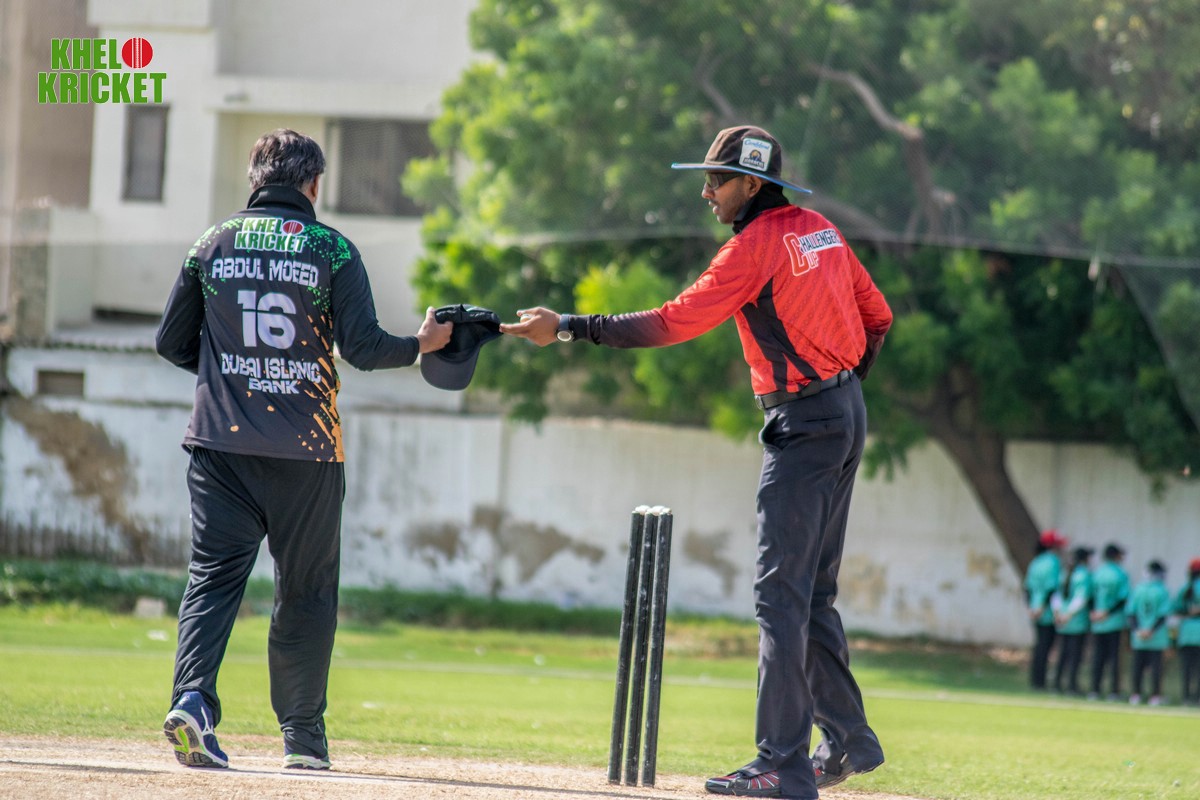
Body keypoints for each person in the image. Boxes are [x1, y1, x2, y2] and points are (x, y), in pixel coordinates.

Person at [501, 125, 893, 800]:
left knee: (780, 597)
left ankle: (782, 763)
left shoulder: (754, 246)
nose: (706, 192)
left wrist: (567, 325)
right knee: (811, 595)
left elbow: (672, 322)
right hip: (844, 413)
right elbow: (877, 317)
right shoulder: (820, 230)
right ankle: (850, 740)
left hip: (806, 422)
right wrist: (840, 390)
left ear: (752, 185)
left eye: (717, 180)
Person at [154, 129, 452, 770]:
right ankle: (303, 741)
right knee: (306, 592)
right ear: (314, 184)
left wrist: (231, 376)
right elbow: (365, 347)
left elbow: (171, 343)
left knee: (212, 580)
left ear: (255, 179)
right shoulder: (331, 249)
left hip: (221, 447)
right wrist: (422, 345)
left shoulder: (212, 243)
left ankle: (193, 701)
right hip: (307, 452)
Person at [1025, 529, 1067, 690]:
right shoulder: (1053, 562)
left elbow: (1027, 588)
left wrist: (1031, 608)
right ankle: (1040, 682)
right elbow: (1052, 588)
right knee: (1045, 646)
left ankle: (1036, 680)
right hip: (1047, 612)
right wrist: (1042, 607)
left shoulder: (1035, 562)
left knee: (1039, 645)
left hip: (1035, 610)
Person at [1126, 560, 1172, 705]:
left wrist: (1138, 630)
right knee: (1156, 668)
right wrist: (1151, 630)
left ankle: (1136, 694)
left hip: (1139, 637)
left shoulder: (1138, 589)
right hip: (1156, 637)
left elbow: (1130, 613)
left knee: (1137, 667)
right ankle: (1155, 696)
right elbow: (1163, 615)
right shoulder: (1162, 590)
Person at [1089, 542, 1130, 700]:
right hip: (1114, 622)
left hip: (1097, 622)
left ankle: (1095, 690)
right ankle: (1114, 691)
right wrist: (1107, 612)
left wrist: (1094, 612)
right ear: (1116, 556)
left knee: (1098, 657)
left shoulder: (1097, 573)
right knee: (1115, 659)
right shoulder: (1120, 574)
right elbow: (1123, 599)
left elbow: (1090, 596)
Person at [1051, 546, 1093, 696]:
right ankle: (1071, 686)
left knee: (1063, 654)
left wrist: (1058, 614)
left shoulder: (1065, 573)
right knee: (1075, 656)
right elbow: (1081, 598)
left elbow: (1056, 596)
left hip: (1062, 621)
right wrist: (1068, 614)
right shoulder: (1083, 575)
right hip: (1076, 622)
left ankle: (1056, 684)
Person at [1175, 558, 1200, 706]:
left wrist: (1189, 612)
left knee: (1186, 669)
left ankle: (1186, 697)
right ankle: (1197, 698)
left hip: (1186, 634)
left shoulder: (1185, 588)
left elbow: (1176, 609)